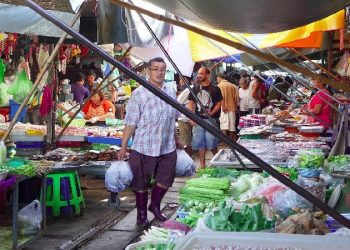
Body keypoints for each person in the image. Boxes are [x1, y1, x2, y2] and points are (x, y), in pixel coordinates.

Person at [117, 57, 182, 226]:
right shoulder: (139, 94)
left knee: (166, 177)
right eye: (156, 69)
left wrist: (177, 139)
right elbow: (130, 122)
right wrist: (123, 147)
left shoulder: (170, 90)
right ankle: (141, 215)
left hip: (167, 144)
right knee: (140, 182)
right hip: (144, 146)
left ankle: (155, 205)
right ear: (148, 71)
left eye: (162, 69)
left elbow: (172, 118)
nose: (159, 72)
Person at [188, 66, 223, 169]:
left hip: (211, 120)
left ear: (208, 75)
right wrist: (191, 117)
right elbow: (191, 103)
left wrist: (211, 113)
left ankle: (217, 160)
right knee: (200, 143)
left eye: (201, 73)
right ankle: (202, 165)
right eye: (198, 73)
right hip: (198, 119)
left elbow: (218, 104)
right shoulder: (195, 88)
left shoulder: (215, 88)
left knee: (212, 142)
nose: (199, 75)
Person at [217, 72, 239, 141]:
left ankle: (226, 141)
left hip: (223, 108)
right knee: (232, 125)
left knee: (224, 125)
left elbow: (221, 97)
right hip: (232, 108)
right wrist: (236, 107)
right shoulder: (233, 86)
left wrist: (223, 106)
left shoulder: (219, 85)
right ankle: (231, 140)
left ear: (219, 77)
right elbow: (236, 98)